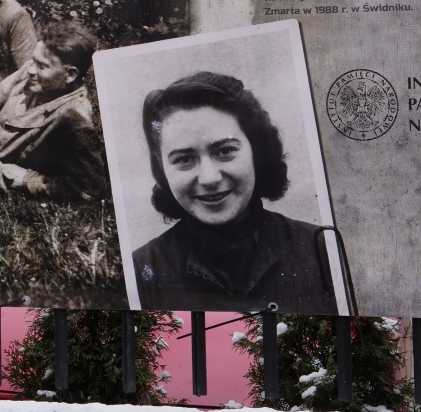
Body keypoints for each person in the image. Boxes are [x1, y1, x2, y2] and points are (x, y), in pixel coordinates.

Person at [130, 72, 337, 313]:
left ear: (256, 153)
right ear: (162, 170)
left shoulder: (321, 249)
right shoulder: (140, 271)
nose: (210, 178)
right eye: (184, 159)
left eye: (225, 151)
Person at [0, 20, 107, 201]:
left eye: (42, 66)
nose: (30, 70)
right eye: (33, 61)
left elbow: (91, 189)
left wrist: (28, 180)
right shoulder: (34, 74)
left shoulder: (75, 119)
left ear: (70, 75)